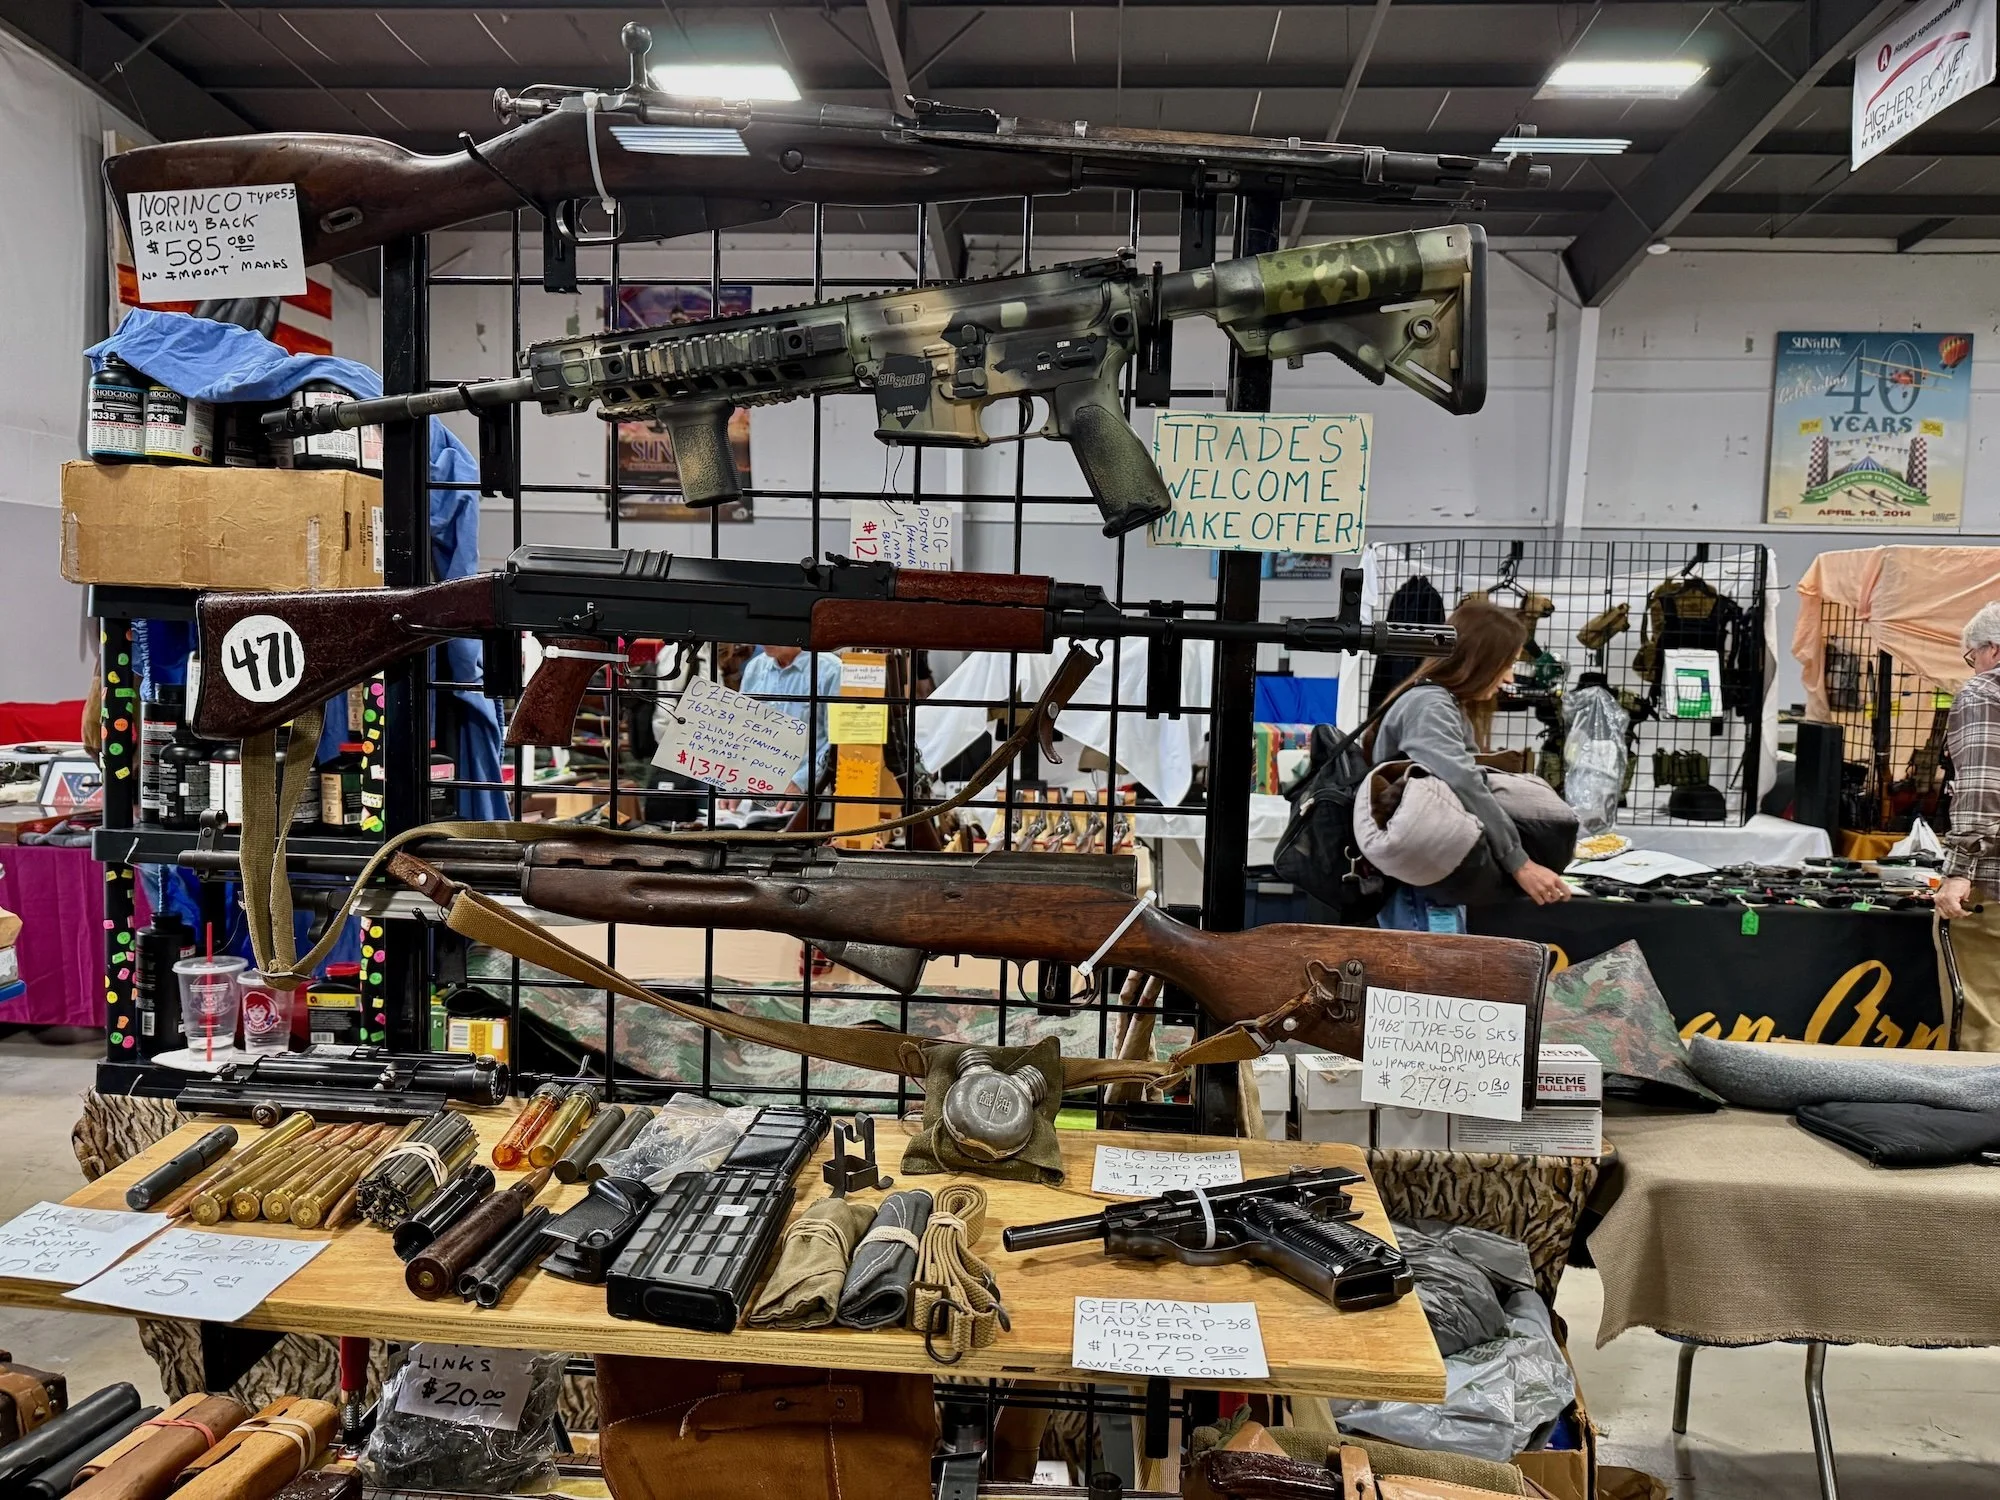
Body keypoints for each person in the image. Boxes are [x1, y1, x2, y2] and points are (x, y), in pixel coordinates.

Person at [1365, 599, 1572, 932]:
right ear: (1480, 661)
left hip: (1432, 872)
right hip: (1420, 881)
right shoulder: (1430, 705)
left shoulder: (1441, 702)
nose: (1508, 677)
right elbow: (1464, 783)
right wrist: (1520, 863)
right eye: (1507, 664)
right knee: (1429, 978)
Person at [1936, 602, 2000, 1049]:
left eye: (1972, 655)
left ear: (1992, 649)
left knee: (1984, 1018)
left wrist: (1959, 871)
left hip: (1993, 883)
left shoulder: (1985, 692)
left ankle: (1984, 1116)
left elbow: (1981, 783)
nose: (1973, 665)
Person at [736, 644, 843, 804]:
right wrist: (734, 783)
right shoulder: (755, 667)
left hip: (811, 794)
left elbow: (835, 741)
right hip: (755, 792)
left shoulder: (831, 670)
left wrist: (800, 782)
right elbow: (741, 730)